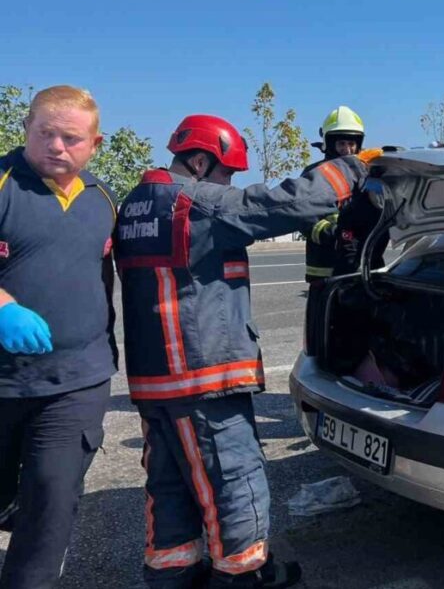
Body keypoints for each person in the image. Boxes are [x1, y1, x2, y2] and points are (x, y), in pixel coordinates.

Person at [115, 115, 377, 589]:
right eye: (227, 174)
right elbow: (288, 202)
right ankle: (245, 574)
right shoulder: (194, 204)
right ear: (199, 161)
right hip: (203, 375)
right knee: (235, 478)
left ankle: (174, 573)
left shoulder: (135, 205)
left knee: (170, 485)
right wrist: (354, 168)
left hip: (155, 381)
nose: (229, 185)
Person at [0, 86, 119, 588]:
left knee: (50, 504)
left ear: (94, 143)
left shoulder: (102, 199)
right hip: (4, 384)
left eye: (71, 137)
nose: (56, 146)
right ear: (26, 127)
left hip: (76, 381)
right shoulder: (5, 183)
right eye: (45, 133)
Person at [303, 106, 368, 284]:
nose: (347, 149)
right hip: (323, 267)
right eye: (341, 144)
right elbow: (303, 217)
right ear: (330, 144)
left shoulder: (366, 174)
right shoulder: (315, 173)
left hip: (358, 265)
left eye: (351, 144)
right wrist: (331, 232)